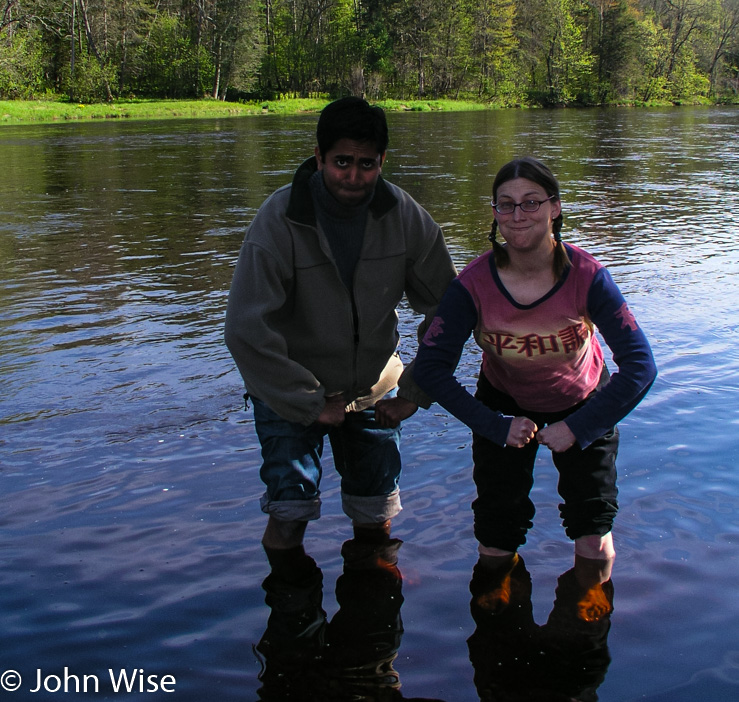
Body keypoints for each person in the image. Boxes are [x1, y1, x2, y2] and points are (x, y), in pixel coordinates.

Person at [224, 96, 456, 574]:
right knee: (289, 518)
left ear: (382, 161)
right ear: (319, 158)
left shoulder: (407, 219)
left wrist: (415, 390)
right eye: (341, 162)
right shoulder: (280, 219)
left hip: (373, 392)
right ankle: (293, 624)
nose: (353, 177)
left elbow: (449, 312)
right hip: (288, 396)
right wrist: (310, 402)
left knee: (375, 520)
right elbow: (245, 328)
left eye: (366, 164)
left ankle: (373, 636)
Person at [411, 156, 657, 567]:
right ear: (494, 214)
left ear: (554, 207)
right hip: (502, 402)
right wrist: (494, 425)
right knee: (496, 533)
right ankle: (497, 607)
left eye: (531, 202)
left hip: (582, 400)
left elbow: (641, 366)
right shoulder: (471, 285)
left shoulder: (589, 276)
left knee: (592, 532)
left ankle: (590, 610)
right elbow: (432, 369)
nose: (517, 215)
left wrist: (578, 428)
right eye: (505, 204)